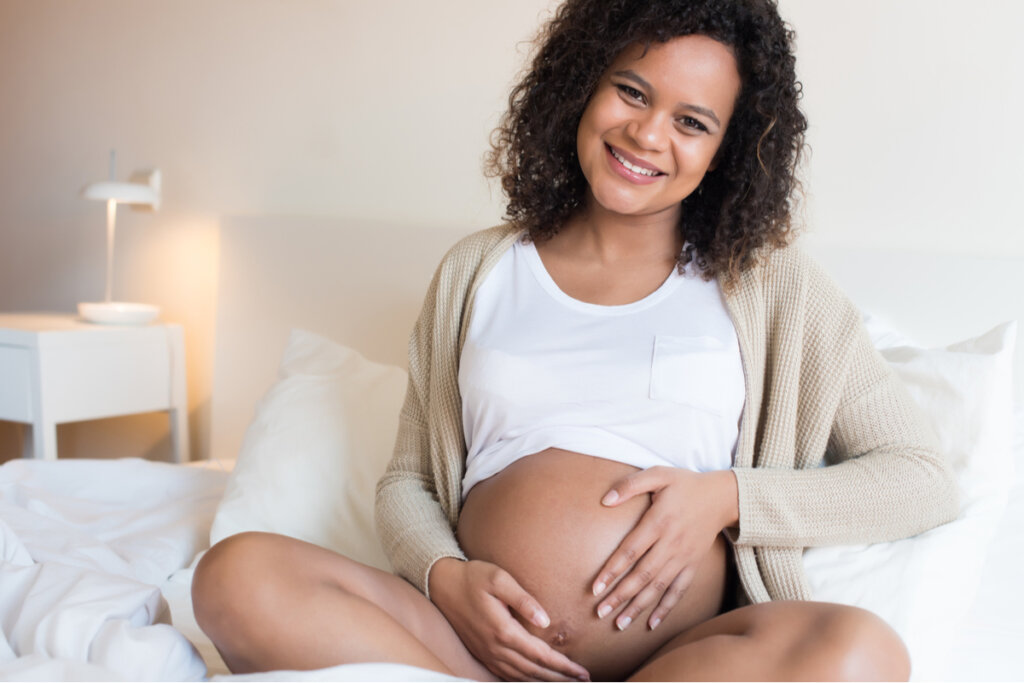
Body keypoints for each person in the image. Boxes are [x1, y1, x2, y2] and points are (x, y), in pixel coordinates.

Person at [192, 0, 959, 680]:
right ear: (583, 84)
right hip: (468, 652)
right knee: (234, 575)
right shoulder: (478, 271)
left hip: (678, 659)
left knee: (861, 650)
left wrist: (727, 498)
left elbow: (920, 474)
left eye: (691, 122)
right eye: (631, 90)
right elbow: (408, 480)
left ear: (728, 149)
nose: (646, 133)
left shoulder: (773, 286)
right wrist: (444, 576)